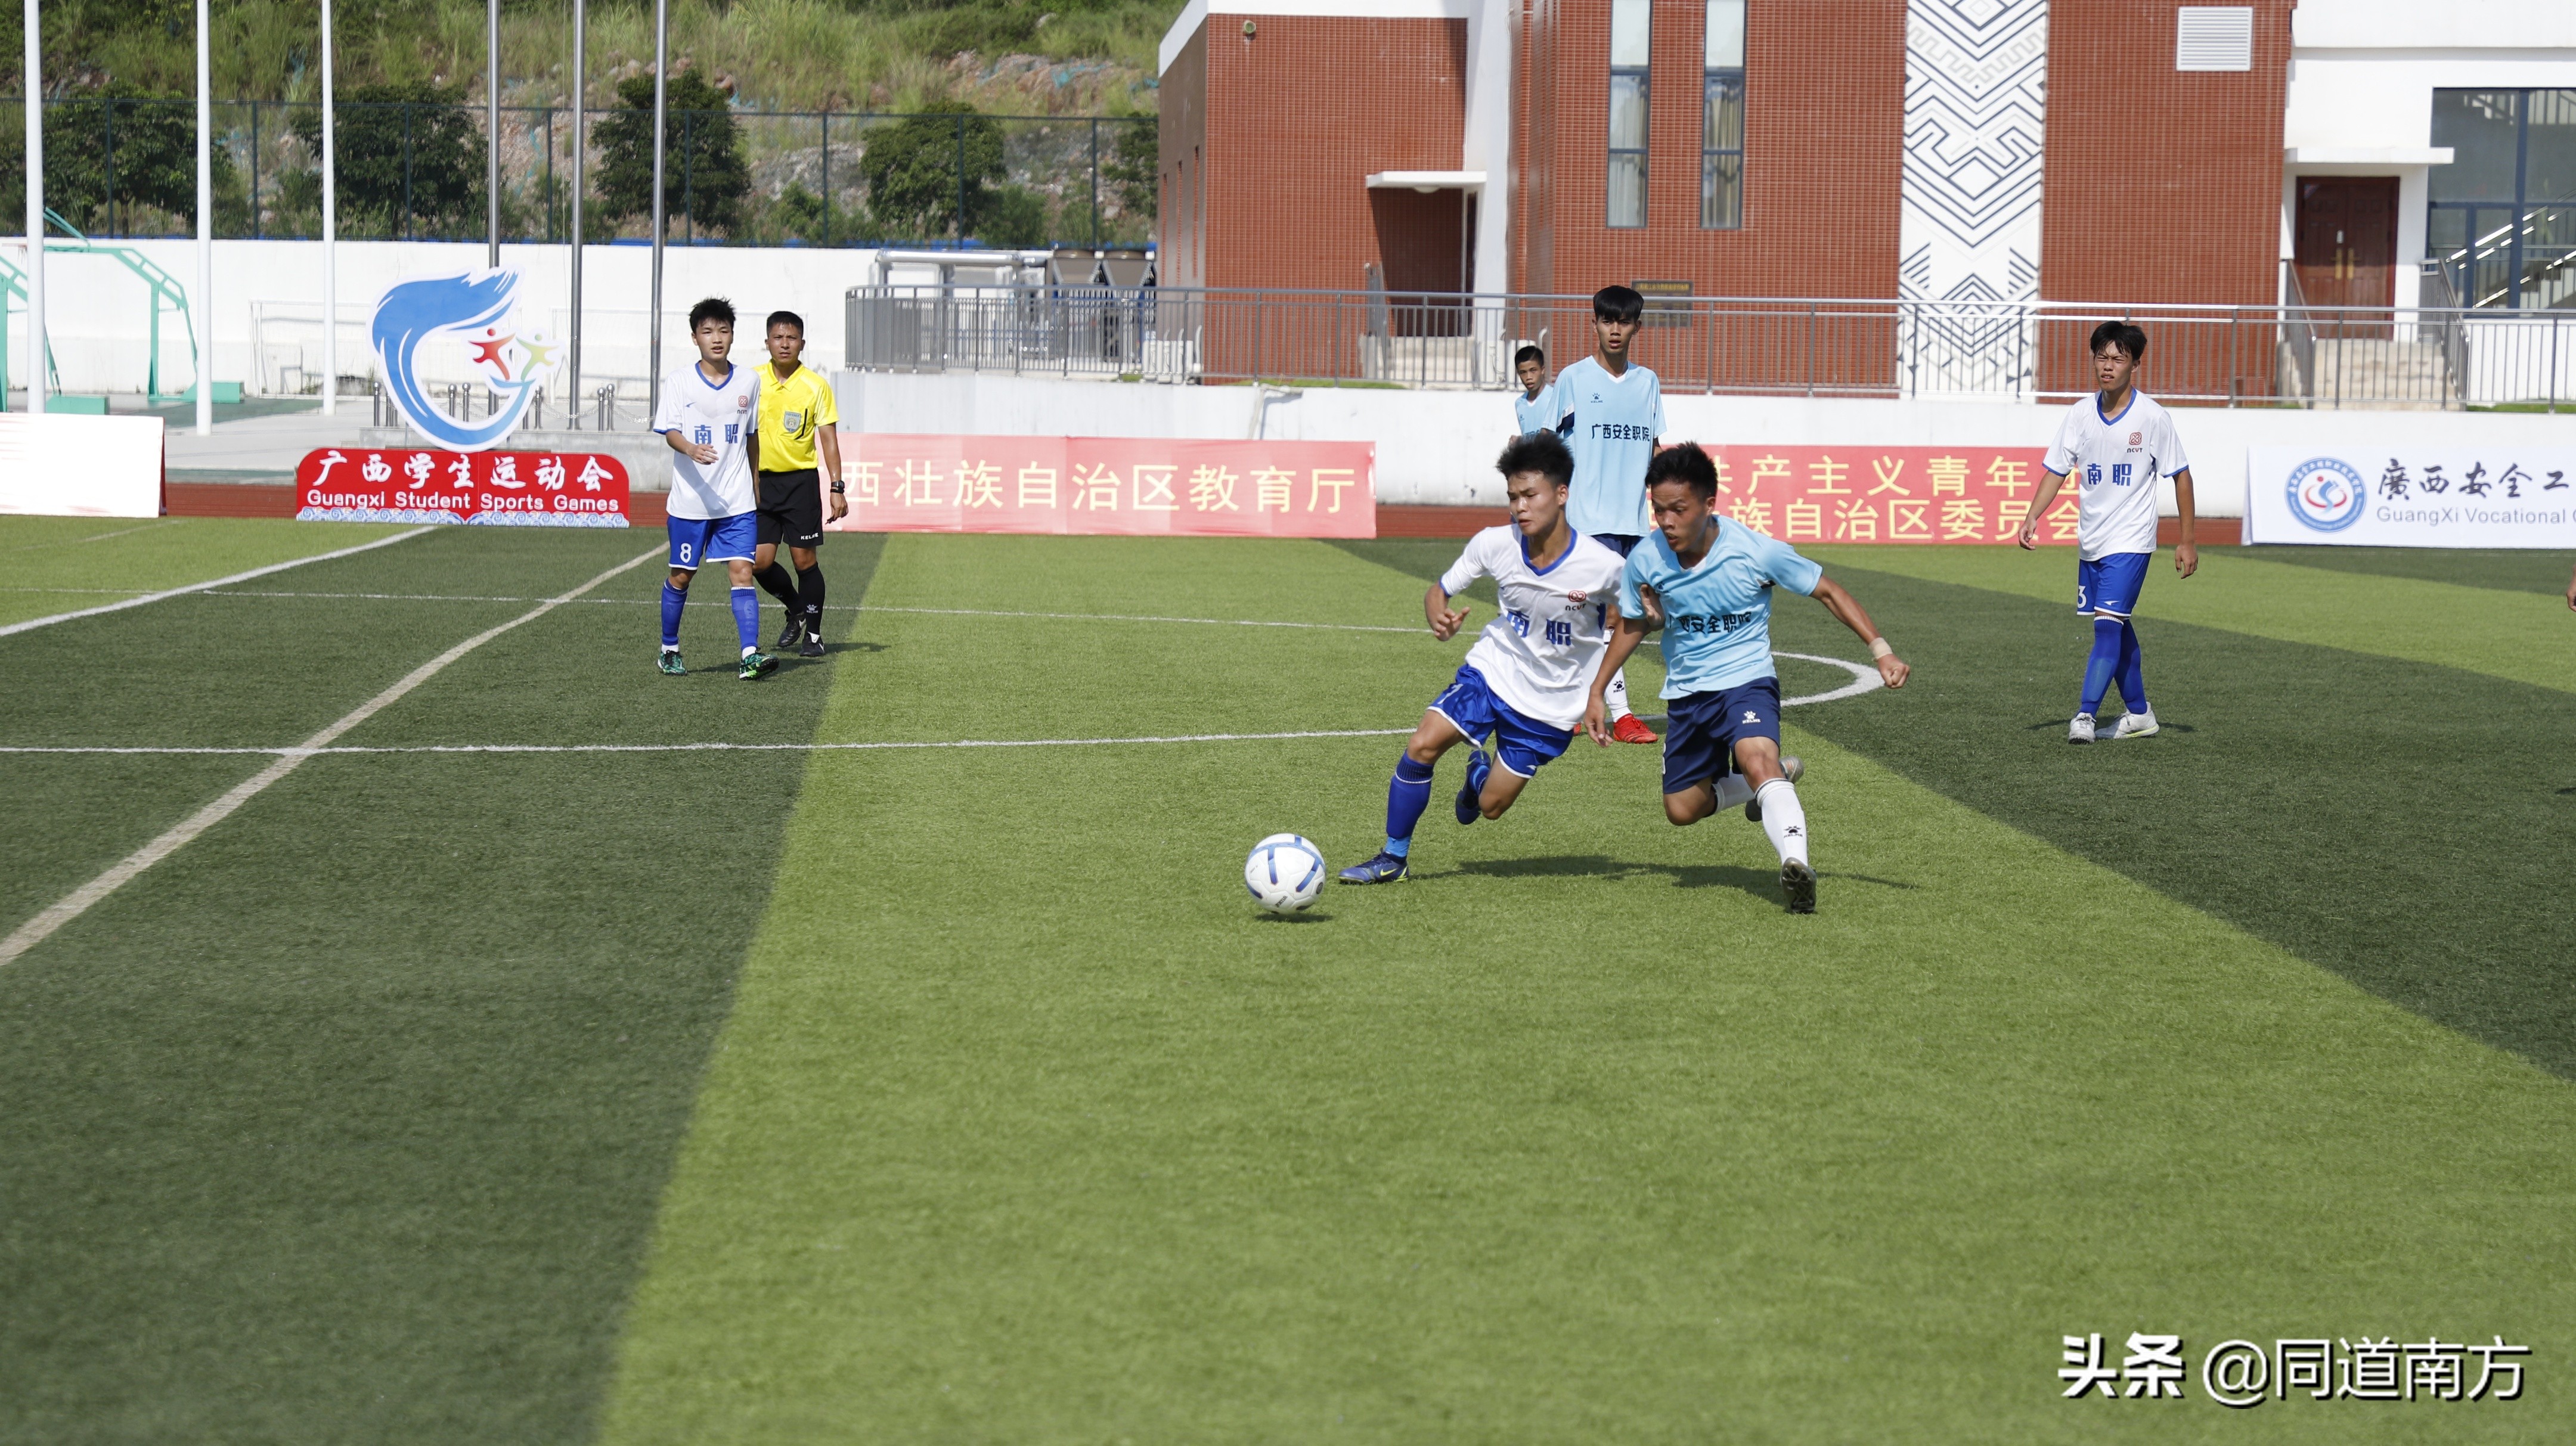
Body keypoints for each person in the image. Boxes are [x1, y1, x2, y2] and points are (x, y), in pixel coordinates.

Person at [1583, 445, 1909, 914]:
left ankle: (1795, 864)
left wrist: (1881, 650)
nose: (1667, 522)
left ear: (1709, 504)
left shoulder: (1755, 551)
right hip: (1689, 693)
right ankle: (1779, 778)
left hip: (1746, 680)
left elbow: (1828, 591)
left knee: (1756, 757)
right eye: (1658, 511)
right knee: (1681, 810)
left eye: (1679, 509)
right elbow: (1632, 625)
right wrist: (1597, 690)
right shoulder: (1646, 559)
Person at [1339, 431, 1629, 886]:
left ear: (1561, 494)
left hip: (1552, 704)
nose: (1519, 507)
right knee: (1422, 745)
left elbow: (1638, 618)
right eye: (1513, 496)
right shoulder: (1494, 543)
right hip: (1493, 671)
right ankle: (1393, 858)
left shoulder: (1603, 565)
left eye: (1530, 495)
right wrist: (1439, 617)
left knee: (1490, 809)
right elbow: (1439, 590)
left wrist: (1598, 691)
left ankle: (1477, 779)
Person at [2017, 320, 2197, 743]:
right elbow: (2055, 470)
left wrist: (2186, 539)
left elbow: (2181, 476)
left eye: (2118, 358)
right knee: (2116, 627)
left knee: (2105, 628)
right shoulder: (2080, 414)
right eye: (2102, 357)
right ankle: (2139, 713)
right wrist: (2031, 516)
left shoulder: (2152, 417)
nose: (2108, 365)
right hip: (2091, 542)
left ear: (2135, 364)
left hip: (2131, 542)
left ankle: (2084, 714)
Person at [1552, 284, 1663, 745]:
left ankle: (1582, 706)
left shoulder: (1647, 383)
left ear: (1637, 326)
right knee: (1596, 618)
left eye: (1623, 321)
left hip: (1633, 523)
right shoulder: (1573, 379)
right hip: (1586, 520)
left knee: (1621, 619)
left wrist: (1662, 513)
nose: (1614, 329)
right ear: (1593, 323)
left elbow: (1655, 451)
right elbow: (1552, 448)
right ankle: (1617, 713)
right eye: (1606, 320)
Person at [653, 297, 779, 681]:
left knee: (743, 570)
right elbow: (670, 431)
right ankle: (669, 648)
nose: (717, 339)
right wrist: (690, 448)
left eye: (723, 331)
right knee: (681, 575)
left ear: (733, 336)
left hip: (737, 499)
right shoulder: (679, 381)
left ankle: (750, 655)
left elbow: (751, 435)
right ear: (695, 338)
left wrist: (755, 479)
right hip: (691, 502)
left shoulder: (749, 381)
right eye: (708, 331)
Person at [745, 311, 845, 658]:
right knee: (758, 562)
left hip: (800, 484)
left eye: (791, 338)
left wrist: (837, 487)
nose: (784, 343)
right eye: (778, 337)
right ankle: (796, 608)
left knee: (804, 562)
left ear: (802, 343)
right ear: (767, 342)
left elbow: (829, 440)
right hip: (759, 484)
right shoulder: (751, 381)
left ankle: (814, 637)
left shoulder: (816, 386)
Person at [1511, 343, 1554, 439]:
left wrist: (1521, 442)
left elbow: (1551, 436)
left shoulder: (1554, 397)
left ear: (1542, 370)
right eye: (1523, 372)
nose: (1529, 377)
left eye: (1533, 370)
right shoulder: (1520, 403)